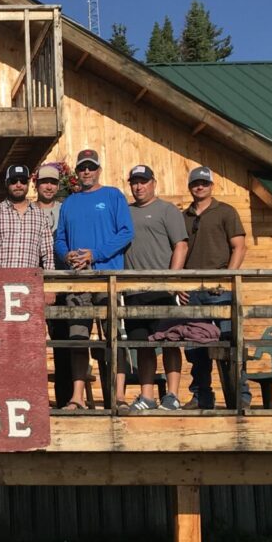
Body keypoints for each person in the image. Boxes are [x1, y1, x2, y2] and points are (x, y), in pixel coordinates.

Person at [55, 148, 134, 410]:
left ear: (99, 169)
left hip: (108, 276)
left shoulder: (113, 196)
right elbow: (60, 238)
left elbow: (125, 233)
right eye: (82, 168)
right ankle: (77, 397)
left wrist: (95, 254)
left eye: (91, 167)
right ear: (77, 172)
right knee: (78, 338)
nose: (86, 171)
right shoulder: (70, 202)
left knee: (114, 337)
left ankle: (118, 396)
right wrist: (67, 256)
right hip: (78, 280)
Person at [117, 165, 188, 412]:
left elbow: (181, 245)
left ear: (153, 183)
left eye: (143, 181)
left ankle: (172, 395)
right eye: (134, 182)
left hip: (162, 290)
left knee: (169, 342)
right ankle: (147, 396)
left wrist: (172, 280)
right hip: (134, 291)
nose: (139, 187)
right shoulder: (124, 211)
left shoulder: (167, 210)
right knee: (142, 344)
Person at [179, 165, 249, 410]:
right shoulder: (184, 216)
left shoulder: (226, 211)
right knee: (195, 347)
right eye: (195, 183)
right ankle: (201, 396)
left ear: (211, 186)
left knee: (230, 343)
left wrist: (227, 278)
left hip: (220, 290)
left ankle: (241, 396)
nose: (200, 187)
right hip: (193, 291)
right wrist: (179, 284)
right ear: (190, 187)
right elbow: (179, 249)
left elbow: (239, 246)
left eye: (204, 183)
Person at [34, 163, 72, 406]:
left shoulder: (66, 210)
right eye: (44, 182)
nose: (48, 187)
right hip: (33, 285)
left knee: (63, 345)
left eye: (53, 183)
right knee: (32, 347)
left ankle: (65, 400)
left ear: (58, 186)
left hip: (62, 285)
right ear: (36, 185)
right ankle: (36, 401)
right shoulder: (27, 211)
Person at [0, 165, 55, 271]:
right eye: (14, 181)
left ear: (28, 184)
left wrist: (48, 282)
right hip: (1, 282)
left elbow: (48, 253)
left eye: (23, 181)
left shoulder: (40, 216)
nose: (18, 185)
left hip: (30, 283)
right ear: (6, 183)